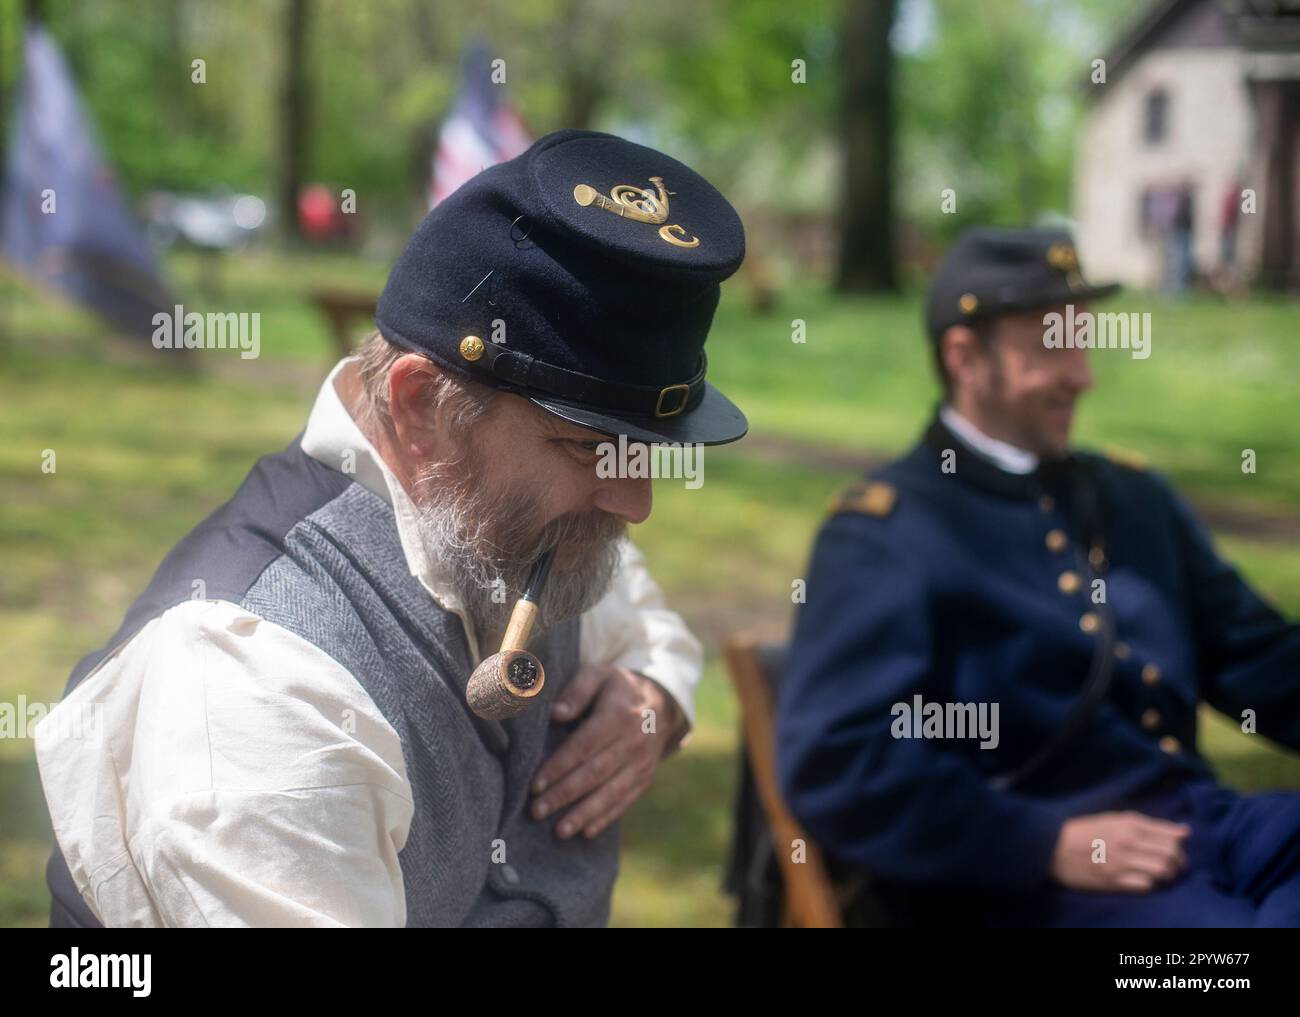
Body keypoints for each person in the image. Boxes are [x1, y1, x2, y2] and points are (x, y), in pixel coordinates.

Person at [36, 129, 749, 927]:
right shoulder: (250, 690)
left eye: (646, 451)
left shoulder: (516, 529)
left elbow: (640, 615)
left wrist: (652, 699)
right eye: (591, 446)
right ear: (420, 409)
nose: (636, 501)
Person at [777, 227, 1300, 927]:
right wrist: (1039, 842)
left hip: (1209, 826)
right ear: (965, 356)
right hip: (1034, 886)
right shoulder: (883, 532)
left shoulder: (1134, 498)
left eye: (1082, 344)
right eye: (1053, 347)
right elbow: (840, 758)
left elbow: (1261, 658)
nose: (1083, 375)